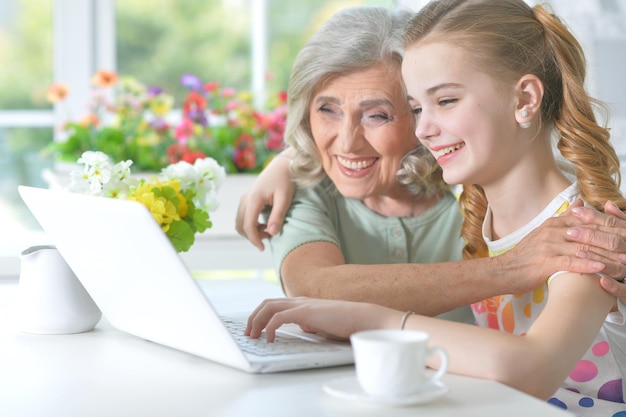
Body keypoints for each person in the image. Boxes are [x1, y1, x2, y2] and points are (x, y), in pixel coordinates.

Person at [246, 0, 626, 413]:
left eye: (445, 101)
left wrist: (375, 322)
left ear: (525, 99)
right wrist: (286, 161)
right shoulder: (480, 212)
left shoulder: (584, 233)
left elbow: (531, 370)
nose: (423, 129)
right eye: (415, 108)